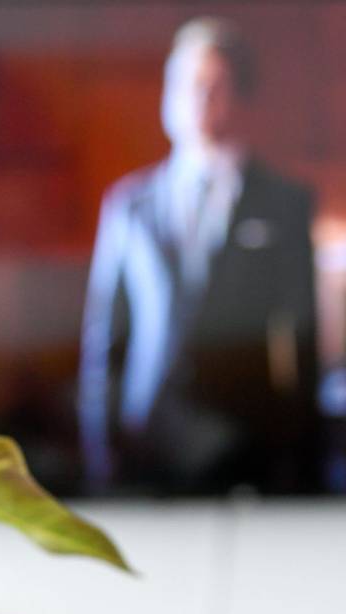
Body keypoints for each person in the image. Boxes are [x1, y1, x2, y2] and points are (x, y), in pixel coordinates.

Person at [77, 17, 318, 494]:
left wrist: (303, 463)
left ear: (240, 97)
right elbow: (106, 338)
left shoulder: (286, 204)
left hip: (246, 447)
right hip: (144, 446)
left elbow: (304, 341)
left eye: (215, 86)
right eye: (188, 84)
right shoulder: (129, 206)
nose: (200, 99)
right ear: (169, 95)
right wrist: (101, 454)